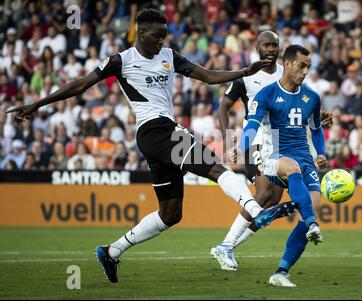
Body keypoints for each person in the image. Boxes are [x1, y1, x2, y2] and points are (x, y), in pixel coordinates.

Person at [6, 8, 296, 283]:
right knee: (215, 167)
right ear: (141, 32)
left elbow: (208, 77)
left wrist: (245, 71)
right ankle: (257, 212)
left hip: (159, 136)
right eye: (157, 36)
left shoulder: (169, 55)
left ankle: (111, 251)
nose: (162, 41)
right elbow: (81, 84)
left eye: (164, 36)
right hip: (155, 129)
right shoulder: (121, 60)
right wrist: (36, 104)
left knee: (170, 214)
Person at [211, 31, 332, 271]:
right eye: (266, 44)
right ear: (256, 47)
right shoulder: (246, 76)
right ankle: (226, 244)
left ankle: (228, 245)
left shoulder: (288, 72)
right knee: (266, 193)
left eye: (274, 45)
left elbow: (298, 107)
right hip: (257, 139)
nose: (270, 49)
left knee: (273, 198)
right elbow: (223, 107)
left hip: (283, 142)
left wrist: (317, 119)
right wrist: (229, 140)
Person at [239, 45, 328, 287]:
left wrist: (321, 153)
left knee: (314, 202)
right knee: (291, 169)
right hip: (273, 155)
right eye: (301, 66)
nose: (305, 71)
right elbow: (252, 126)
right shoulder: (267, 94)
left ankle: (281, 272)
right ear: (287, 64)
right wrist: (240, 146)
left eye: (309, 67)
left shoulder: (312, 97)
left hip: (304, 157)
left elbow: (317, 129)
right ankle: (311, 224)